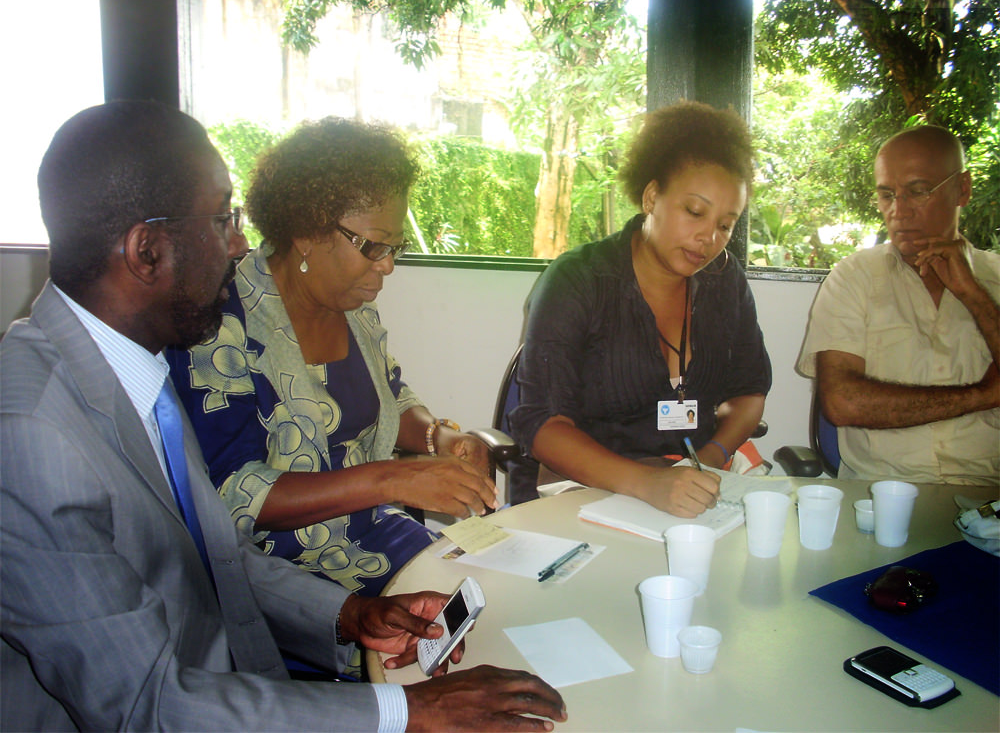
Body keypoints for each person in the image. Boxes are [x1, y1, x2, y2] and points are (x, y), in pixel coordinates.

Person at [0, 100, 567, 732]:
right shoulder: (32, 436)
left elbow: (219, 556)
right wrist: (407, 712)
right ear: (147, 251)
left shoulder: (136, 371)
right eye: (222, 220)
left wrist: (351, 617)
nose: (240, 243)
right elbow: (148, 706)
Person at [166, 118, 497, 598]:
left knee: (498, 590)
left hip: (371, 533)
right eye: (373, 246)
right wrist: (392, 479)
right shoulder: (219, 322)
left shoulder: (353, 306)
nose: (387, 265)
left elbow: (391, 396)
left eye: (395, 247)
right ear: (307, 232)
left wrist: (439, 438)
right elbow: (233, 493)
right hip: (280, 575)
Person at [510, 101, 772, 512]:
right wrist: (649, 483)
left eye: (725, 224)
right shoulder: (579, 280)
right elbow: (544, 426)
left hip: (693, 479)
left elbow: (749, 391)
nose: (709, 238)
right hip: (587, 487)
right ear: (651, 197)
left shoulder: (725, 281)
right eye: (695, 212)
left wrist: (710, 458)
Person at [797, 125, 1000, 483]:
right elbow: (843, 402)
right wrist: (983, 395)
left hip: (987, 492)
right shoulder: (854, 277)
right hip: (879, 490)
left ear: (962, 188)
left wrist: (971, 292)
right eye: (887, 195)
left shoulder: (994, 278)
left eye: (918, 191)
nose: (898, 211)